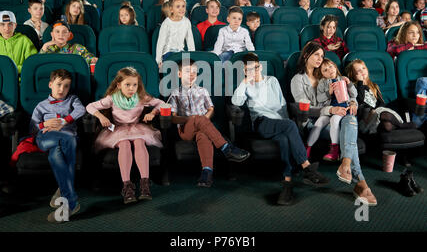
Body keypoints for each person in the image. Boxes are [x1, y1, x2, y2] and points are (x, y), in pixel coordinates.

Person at [232, 52, 329, 205]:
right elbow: (236, 101)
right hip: (261, 122)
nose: (254, 71)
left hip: (279, 123)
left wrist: (286, 123)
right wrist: (244, 82)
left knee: (284, 139)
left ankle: (287, 183)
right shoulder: (246, 85)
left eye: (256, 68)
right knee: (290, 125)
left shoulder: (272, 81)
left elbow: (282, 104)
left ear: (261, 66)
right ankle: (306, 167)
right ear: (245, 71)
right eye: (249, 70)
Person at [291, 41, 377, 206]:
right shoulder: (298, 79)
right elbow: (304, 109)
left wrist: (353, 103)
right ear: (306, 55)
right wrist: (330, 110)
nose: (319, 58)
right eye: (316, 54)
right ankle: (360, 182)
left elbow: (346, 95)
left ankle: (347, 167)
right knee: (349, 127)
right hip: (313, 122)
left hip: (336, 116)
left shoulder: (326, 75)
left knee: (350, 118)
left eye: (322, 56)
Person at [86, 67, 164, 203]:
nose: (131, 88)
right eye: (127, 85)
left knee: (139, 141)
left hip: (136, 129)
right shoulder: (112, 99)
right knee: (125, 144)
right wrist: (100, 117)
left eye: (134, 85)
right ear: (119, 85)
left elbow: (161, 103)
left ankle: (145, 183)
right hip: (118, 130)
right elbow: (90, 107)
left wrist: (152, 113)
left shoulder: (141, 97)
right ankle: (127, 186)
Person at [169, 59, 250, 187]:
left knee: (203, 135)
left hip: (202, 127)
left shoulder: (202, 91)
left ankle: (207, 173)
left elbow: (211, 109)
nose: (191, 74)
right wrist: (192, 119)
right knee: (198, 118)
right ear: (179, 74)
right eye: (187, 71)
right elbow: (173, 118)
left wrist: (203, 119)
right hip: (186, 130)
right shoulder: (175, 93)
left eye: (194, 72)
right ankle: (226, 148)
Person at [31, 69, 86, 223]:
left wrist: (65, 121)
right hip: (46, 137)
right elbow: (33, 127)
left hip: (66, 138)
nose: (62, 89)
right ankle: (70, 199)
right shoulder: (41, 106)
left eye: (66, 86)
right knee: (59, 144)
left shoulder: (73, 100)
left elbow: (81, 110)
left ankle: (66, 196)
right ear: (50, 84)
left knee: (56, 153)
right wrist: (44, 123)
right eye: (59, 85)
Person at [306, 58, 357, 161]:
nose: (329, 70)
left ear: (335, 66)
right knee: (319, 123)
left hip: (343, 108)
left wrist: (349, 84)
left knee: (334, 120)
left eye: (330, 66)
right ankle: (307, 148)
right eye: (325, 70)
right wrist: (328, 92)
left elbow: (354, 95)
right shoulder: (322, 83)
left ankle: (334, 150)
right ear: (322, 74)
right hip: (329, 109)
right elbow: (319, 99)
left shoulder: (343, 79)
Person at [346, 59, 416, 134]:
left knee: (387, 125)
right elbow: (360, 100)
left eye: (363, 68)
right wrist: (360, 83)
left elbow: (381, 103)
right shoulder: (353, 87)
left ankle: (420, 110)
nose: (362, 71)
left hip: (380, 115)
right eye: (358, 70)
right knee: (383, 115)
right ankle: (401, 125)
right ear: (352, 75)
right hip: (367, 117)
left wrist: (381, 109)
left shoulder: (374, 86)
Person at [156, 0, 195, 67]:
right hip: (168, 52)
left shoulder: (186, 21)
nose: (181, 9)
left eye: (183, 6)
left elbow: (190, 40)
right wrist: (159, 60)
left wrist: (192, 57)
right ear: (171, 9)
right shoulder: (166, 23)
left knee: (186, 67)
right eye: (178, 6)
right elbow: (160, 42)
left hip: (181, 51)